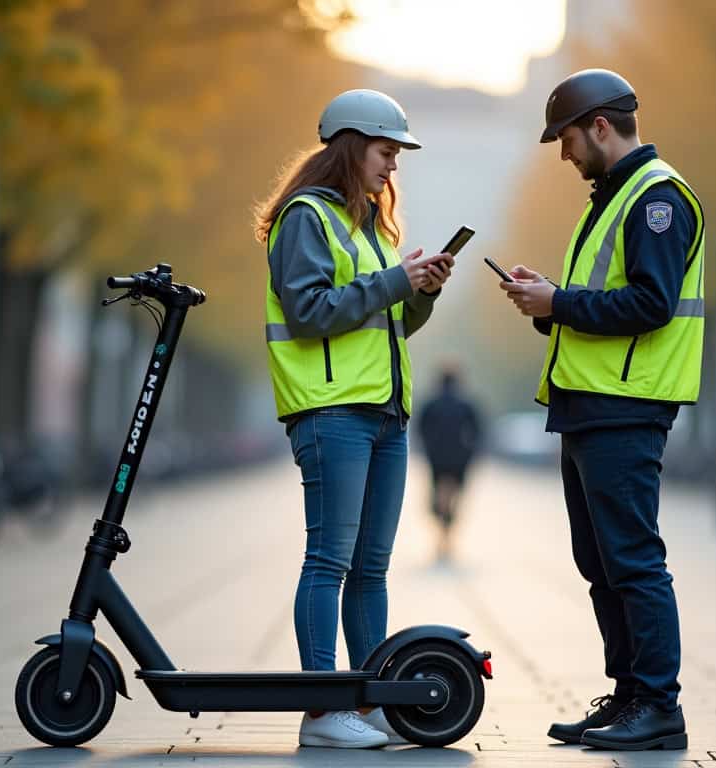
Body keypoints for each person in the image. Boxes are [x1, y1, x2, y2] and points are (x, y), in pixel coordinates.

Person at [498, 68, 703, 751]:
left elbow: (650, 303)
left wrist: (558, 302)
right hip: (590, 405)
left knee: (633, 560)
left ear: (601, 127)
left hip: (626, 406)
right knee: (602, 561)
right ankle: (628, 697)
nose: (563, 153)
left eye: (567, 138)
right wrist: (547, 301)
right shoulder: (611, 198)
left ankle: (658, 706)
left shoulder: (655, 200)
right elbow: (599, 304)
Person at [254, 88, 455, 749]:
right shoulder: (306, 218)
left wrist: (418, 292)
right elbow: (311, 312)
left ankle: (367, 703)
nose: (392, 166)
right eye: (385, 151)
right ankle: (320, 711)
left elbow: (382, 321)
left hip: (384, 413)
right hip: (331, 413)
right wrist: (397, 280)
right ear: (350, 145)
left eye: (396, 155)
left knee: (371, 567)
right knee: (329, 561)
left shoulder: (367, 225)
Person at [416, 365, 482, 562]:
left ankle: (442, 538)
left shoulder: (431, 404)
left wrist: (428, 449)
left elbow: (420, 429)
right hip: (459, 459)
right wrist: (469, 452)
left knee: (439, 499)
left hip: (436, 459)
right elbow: (478, 431)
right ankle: (446, 538)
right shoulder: (466, 404)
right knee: (453, 499)